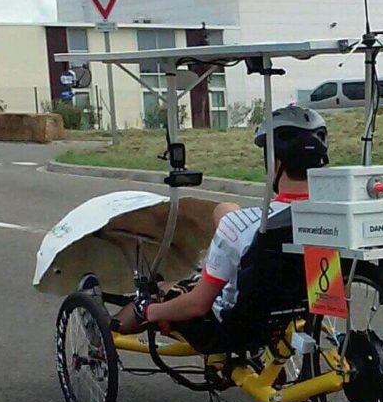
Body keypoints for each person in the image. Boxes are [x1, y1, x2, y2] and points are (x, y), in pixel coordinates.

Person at [112, 105, 330, 334]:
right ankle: (209, 268)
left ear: (274, 164)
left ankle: (107, 332)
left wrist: (148, 311)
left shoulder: (245, 225)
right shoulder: (331, 219)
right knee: (226, 210)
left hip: (229, 324)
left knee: (158, 292)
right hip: (298, 306)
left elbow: (198, 305)